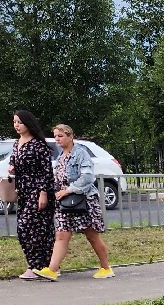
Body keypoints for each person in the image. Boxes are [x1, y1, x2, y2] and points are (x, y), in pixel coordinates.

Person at [35, 123, 112, 280]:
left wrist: (68, 190)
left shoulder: (80, 154)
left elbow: (88, 177)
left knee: (91, 235)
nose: (57, 139)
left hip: (84, 201)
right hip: (64, 202)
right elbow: (59, 180)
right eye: (55, 136)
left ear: (70, 136)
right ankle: (52, 270)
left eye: (60, 136)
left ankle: (106, 267)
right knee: (61, 235)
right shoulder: (61, 157)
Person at [8, 110, 56, 279]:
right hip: (23, 191)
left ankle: (40, 266)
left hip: (38, 191)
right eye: (14, 122)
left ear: (28, 123)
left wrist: (43, 194)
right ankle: (40, 265)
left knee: (34, 229)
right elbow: (13, 161)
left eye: (19, 122)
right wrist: (12, 168)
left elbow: (46, 171)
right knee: (25, 229)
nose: (16, 125)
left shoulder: (39, 145)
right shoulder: (16, 143)